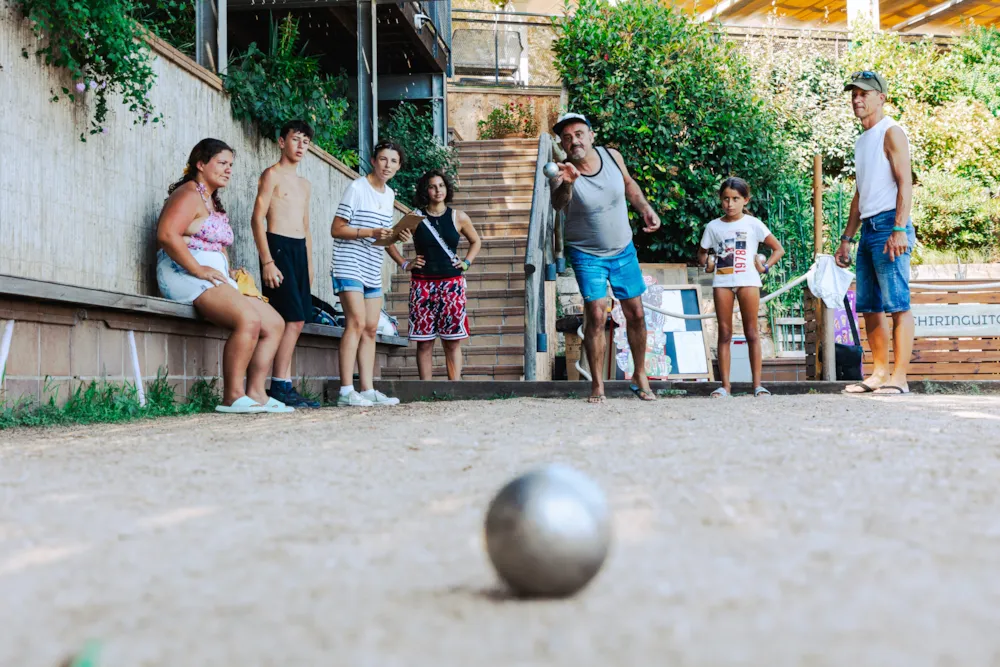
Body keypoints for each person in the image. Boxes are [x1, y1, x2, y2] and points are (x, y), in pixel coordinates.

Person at [156, 138, 293, 414]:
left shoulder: (211, 200)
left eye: (231, 165)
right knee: (249, 319)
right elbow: (167, 235)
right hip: (183, 273)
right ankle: (232, 395)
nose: (228, 169)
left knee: (275, 323)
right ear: (200, 164)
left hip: (212, 277)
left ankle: (256, 393)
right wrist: (197, 269)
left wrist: (227, 271)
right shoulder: (188, 194)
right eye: (221, 163)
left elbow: (214, 244)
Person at [548, 113, 661, 403]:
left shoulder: (611, 156)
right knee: (596, 314)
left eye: (579, 133)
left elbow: (628, 184)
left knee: (635, 313)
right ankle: (597, 384)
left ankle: (639, 375)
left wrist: (645, 208)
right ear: (562, 143)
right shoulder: (562, 171)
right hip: (587, 254)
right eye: (568, 137)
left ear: (590, 135)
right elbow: (558, 204)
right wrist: (570, 183)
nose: (575, 140)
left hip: (622, 249)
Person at [835, 71, 916, 396]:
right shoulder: (861, 140)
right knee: (869, 305)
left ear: (881, 98)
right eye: (854, 94)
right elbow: (860, 192)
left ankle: (900, 377)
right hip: (868, 228)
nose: (857, 99)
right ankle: (879, 373)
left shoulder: (891, 131)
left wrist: (899, 228)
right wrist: (846, 238)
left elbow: (905, 181)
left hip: (888, 226)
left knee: (898, 303)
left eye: (864, 94)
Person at [330, 140, 411, 407]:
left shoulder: (389, 195)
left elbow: (384, 238)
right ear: (374, 161)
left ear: (399, 167)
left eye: (394, 161)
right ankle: (345, 391)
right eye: (383, 159)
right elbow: (337, 228)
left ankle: (366, 389)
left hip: (371, 266)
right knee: (355, 323)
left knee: (371, 328)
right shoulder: (357, 188)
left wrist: (401, 251)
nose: (388, 165)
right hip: (349, 263)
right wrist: (370, 232)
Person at [250, 120, 320, 408]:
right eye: (295, 140)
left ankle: (284, 384)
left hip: (298, 250)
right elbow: (257, 219)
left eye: (305, 141)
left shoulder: (305, 184)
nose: (301, 146)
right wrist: (267, 260)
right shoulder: (272, 175)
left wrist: (310, 264)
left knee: (298, 318)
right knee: (290, 318)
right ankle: (279, 385)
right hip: (276, 247)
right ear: (282, 142)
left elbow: (305, 225)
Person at [697, 177, 784, 398]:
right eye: (726, 199)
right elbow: (702, 253)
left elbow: (778, 249)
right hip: (723, 283)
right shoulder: (713, 226)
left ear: (746, 200)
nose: (730, 204)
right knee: (724, 333)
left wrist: (764, 267)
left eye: (736, 199)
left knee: (752, 332)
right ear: (720, 199)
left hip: (749, 282)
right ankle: (725, 386)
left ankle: (758, 385)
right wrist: (707, 262)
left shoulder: (753, 224)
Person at [401, 169, 482, 380]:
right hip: (422, 285)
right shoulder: (415, 217)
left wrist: (466, 262)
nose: (438, 190)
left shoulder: (458, 217)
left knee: (452, 341)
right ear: (425, 190)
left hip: (451, 285)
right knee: (424, 342)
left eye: (441, 186)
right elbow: (390, 240)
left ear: (447, 189)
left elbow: (476, 241)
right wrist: (404, 263)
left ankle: (454, 388)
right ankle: (426, 390)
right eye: (432, 186)